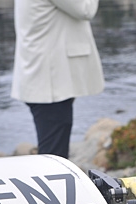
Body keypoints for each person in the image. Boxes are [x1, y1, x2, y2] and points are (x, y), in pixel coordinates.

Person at [12, 0, 104, 159]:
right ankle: (54, 183)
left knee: (52, 151)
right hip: (49, 83)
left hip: (43, 79)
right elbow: (85, 9)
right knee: (54, 157)